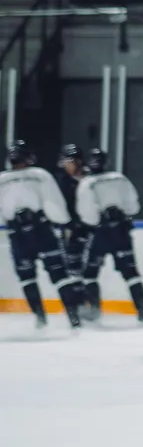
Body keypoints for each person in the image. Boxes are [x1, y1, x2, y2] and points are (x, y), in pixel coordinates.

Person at [1, 141, 83, 329]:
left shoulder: (2, 179)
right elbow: (54, 203)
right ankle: (73, 318)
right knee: (59, 274)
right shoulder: (40, 175)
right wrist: (64, 222)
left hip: (17, 234)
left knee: (27, 277)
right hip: (41, 231)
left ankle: (40, 318)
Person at [74, 148, 143, 323]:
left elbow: (87, 214)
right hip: (121, 231)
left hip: (100, 233)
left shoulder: (87, 183)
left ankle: (95, 311)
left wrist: (92, 224)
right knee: (131, 273)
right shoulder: (120, 178)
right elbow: (133, 207)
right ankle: (142, 311)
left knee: (90, 273)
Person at [56, 144, 90, 313]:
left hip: (90, 228)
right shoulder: (61, 182)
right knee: (73, 268)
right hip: (70, 230)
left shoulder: (91, 178)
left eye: (73, 161)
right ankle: (79, 305)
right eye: (67, 161)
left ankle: (91, 303)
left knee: (89, 269)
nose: (70, 165)